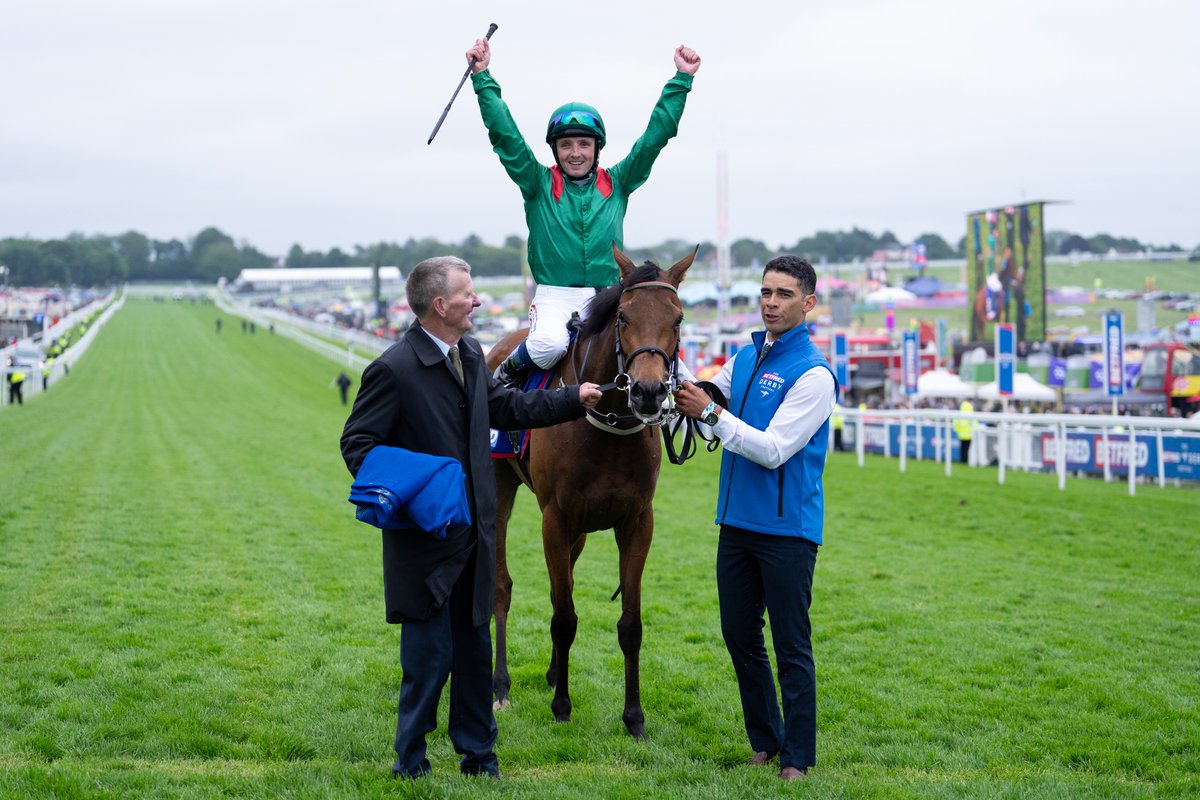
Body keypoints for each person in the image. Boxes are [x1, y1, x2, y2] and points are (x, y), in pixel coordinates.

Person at [340, 256, 601, 780]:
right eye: (468, 293)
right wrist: (422, 487)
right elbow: (357, 445)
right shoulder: (393, 368)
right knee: (428, 659)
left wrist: (576, 399)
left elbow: (508, 407)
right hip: (426, 539)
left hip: (477, 536)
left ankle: (479, 757)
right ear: (441, 305)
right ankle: (409, 761)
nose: (476, 300)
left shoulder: (469, 352)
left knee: (476, 655)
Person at [674, 255, 837, 782]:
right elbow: (707, 393)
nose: (770, 302)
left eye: (784, 294)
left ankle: (798, 757)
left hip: (788, 531)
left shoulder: (814, 375)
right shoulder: (743, 358)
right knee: (739, 637)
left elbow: (770, 450)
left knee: (792, 647)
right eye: (766, 291)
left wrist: (711, 414)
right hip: (736, 525)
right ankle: (764, 741)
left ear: (808, 304)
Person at [466, 36, 701, 386]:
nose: (575, 152)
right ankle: (498, 383)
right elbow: (506, 137)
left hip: (610, 295)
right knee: (547, 345)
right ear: (556, 150)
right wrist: (483, 78)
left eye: (583, 144)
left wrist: (681, 81)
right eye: (566, 145)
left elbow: (654, 138)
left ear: (596, 149)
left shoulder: (619, 182)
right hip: (555, 297)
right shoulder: (537, 183)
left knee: (674, 367)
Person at [954, 399, 974, 464]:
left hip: (961, 435)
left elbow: (955, 425)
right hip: (969, 435)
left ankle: (963, 462)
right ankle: (965, 462)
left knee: (962, 450)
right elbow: (975, 425)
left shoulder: (959, 415)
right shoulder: (971, 415)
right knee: (966, 450)